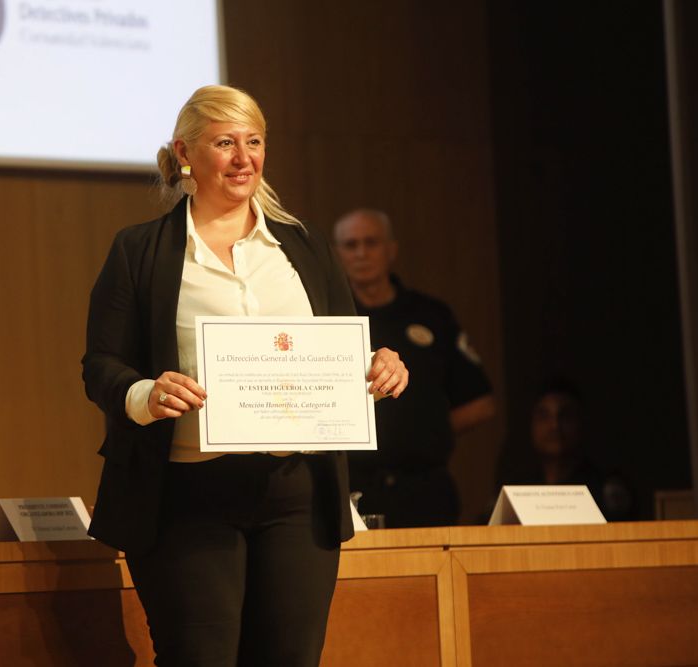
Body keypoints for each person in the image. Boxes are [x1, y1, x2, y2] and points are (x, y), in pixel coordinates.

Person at [82, 85, 408, 667]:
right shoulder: (141, 251)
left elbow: (341, 345)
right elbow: (101, 365)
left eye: (254, 142)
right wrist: (145, 394)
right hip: (186, 496)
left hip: (297, 493)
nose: (243, 158)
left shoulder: (303, 246)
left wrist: (380, 364)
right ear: (186, 154)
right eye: (225, 143)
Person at [333, 209, 495, 527]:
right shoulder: (329, 319)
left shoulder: (431, 315)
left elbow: (481, 403)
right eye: (351, 245)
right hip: (353, 486)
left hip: (423, 488)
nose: (362, 253)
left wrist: (427, 427)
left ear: (391, 249)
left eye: (371, 243)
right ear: (338, 254)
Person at [499, 377, 636, 521]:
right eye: (544, 416)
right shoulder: (517, 494)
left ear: (581, 422)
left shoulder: (605, 491)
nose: (554, 426)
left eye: (565, 415)